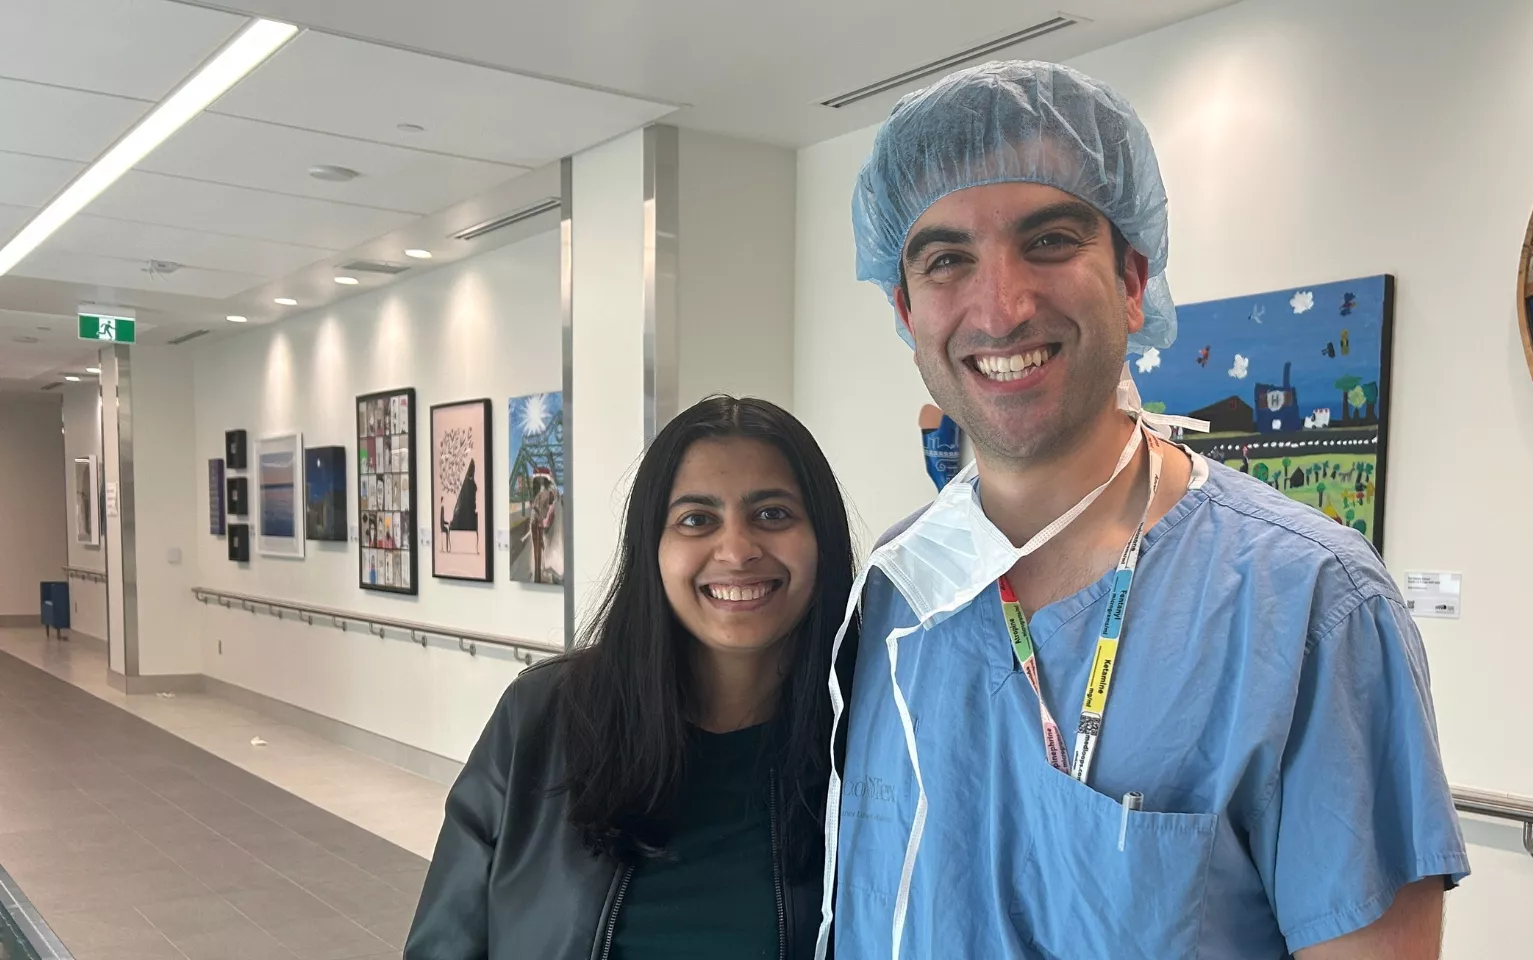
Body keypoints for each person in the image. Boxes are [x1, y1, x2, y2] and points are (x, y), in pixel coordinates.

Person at [816, 61, 1469, 959]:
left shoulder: (1306, 607)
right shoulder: (898, 591)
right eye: (947, 259)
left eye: (1048, 241)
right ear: (905, 307)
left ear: (1132, 280)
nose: (1001, 307)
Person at [407, 396, 858, 959]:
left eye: (772, 514)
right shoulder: (544, 719)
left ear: (823, 541)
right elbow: (444, 946)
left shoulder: (873, 731)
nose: (738, 549)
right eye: (697, 519)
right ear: (652, 549)